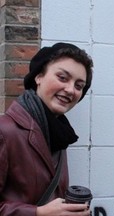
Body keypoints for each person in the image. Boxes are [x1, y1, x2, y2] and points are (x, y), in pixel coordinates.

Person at [0, 42, 93, 216]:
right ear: (38, 77)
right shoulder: (5, 131)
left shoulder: (59, 134)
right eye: (62, 78)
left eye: (79, 86)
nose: (70, 90)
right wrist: (37, 212)